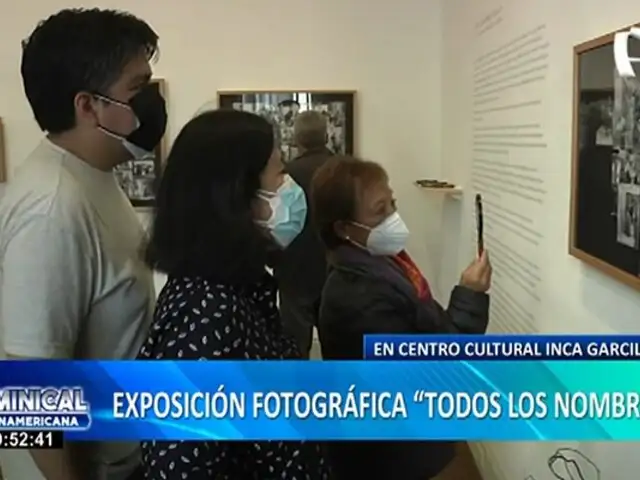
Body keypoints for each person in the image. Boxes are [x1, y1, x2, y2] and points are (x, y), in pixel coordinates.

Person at [0, 8, 165, 480]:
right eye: (138, 88)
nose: (152, 101)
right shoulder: (51, 206)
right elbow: (27, 386)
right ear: (87, 105)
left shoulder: (94, 176)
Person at [138, 109, 331, 479]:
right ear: (236, 195)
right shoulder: (205, 313)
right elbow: (181, 467)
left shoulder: (240, 289)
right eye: (279, 173)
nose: (290, 188)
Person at [311, 156, 491, 480]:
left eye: (392, 204)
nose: (393, 217)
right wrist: (469, 297)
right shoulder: (357, 298)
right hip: (388, 455)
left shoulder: (382, 266)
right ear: (343, 228)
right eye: (380, 211)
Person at [272, 110, 333, 357]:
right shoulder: (345, 171)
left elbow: (275, 223)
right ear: (327, 136)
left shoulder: (285, 176)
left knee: (295, 349)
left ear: (296, 139)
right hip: (335, 269)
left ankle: (299, 394)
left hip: (294, 270)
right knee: (339, 347)